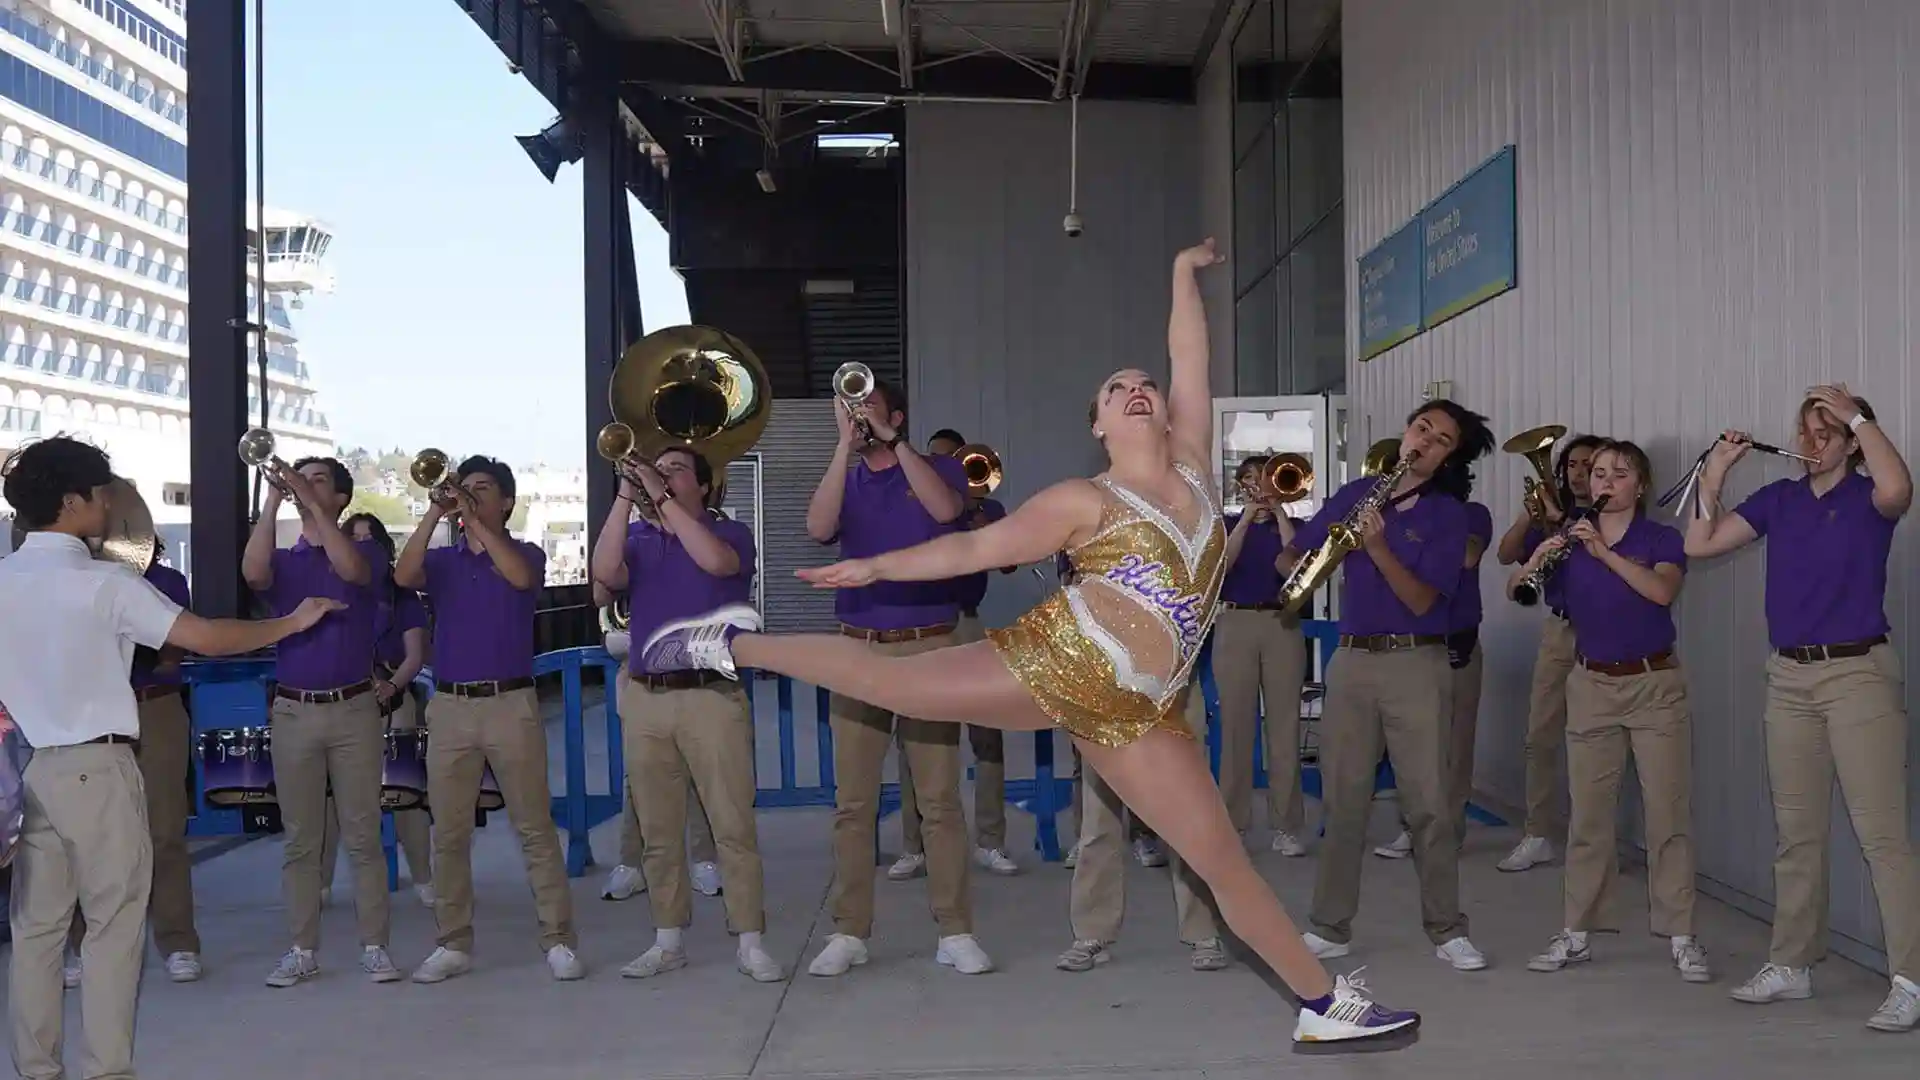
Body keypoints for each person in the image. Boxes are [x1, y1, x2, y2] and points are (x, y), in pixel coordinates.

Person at [634, 239, 1418, 1044]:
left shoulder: (1193, 466)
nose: (1137, 390)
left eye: (1144, 383)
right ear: (1098, 423)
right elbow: (972, 550)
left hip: (1143, 709)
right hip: (1058, 660)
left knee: (1221, 859)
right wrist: (873, 568)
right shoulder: (1081, 498)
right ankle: (732, 646)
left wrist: (1182, 273)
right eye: (1116, 390)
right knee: (899, 686)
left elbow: (1191, 350)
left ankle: (1324, 1006)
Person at [0, 437, 339, 1080]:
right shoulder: (105, 583)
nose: (109, 504)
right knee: (113, 929)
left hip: (33, 766)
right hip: (98, 768)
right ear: (72, 502)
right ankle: (107, 1069)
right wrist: (292, 623)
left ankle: (36, 1068)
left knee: (40, 933)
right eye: (101, 494)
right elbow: (207, 637)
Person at [1684, 386, 1919, 1032]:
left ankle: (1911, 978)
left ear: (1850, 441)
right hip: (1789, 676)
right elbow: (1699, 544)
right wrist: (1716, 475)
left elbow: (1899, 489)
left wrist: (1858, 417)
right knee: (1798, 833)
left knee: (1883, 837)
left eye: (1828, 432)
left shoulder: (1868, 498)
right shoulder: (1779, 501)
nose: (1813, 443)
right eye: (1805, 430)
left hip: (1857, 674)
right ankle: (1791, 963)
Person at [1282, 400, 1494, 973]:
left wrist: (1375, 545)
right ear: (1406, 431)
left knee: (1428, 803)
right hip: (1351, 661)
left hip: (1415, 664)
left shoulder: (1451, 515)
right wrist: (1310, 554)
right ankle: (1329, 925)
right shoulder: (1359, 492)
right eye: (1421, 427)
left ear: (1451, 455)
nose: (1424, 441)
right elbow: (1292, 561)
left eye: (1441, 439)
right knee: (1343, 799)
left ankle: (1447, 928)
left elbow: (1424, 600)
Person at [795, 371, 993, 978]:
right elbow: (818, 528)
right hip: (860, 650)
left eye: (872, 406)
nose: (860, 415)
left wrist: (891, 442)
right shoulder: (847, 477)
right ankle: (849, 930)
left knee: (938, 801)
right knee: (852, 804)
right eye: (851, 408)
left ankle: (954, 930)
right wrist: (840, 444)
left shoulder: (939, 470)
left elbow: (944, 509)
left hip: (928, 648)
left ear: (898, 418)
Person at [1510, 440, 1710, 983]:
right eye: (1598, 474)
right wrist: (1537, 559)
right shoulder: (1570, 541)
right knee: (1589, 817)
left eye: (1619, 474)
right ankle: (1577, 931)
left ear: (1639, 486)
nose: (1605, 483)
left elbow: (1661, 591)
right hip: (1592, 684)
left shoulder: (1660, 538)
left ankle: (1682, 935)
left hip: (1655, 685)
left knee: (1667, 814)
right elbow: (1515, 586)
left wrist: (1604, 554)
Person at [587, 444, 782, 983]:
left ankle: (749, 940)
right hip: (648, 696)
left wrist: (658, 492)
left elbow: (716, 564)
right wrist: (626, 493)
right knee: (658, 829)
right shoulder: (639, 539)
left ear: (702, 485)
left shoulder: (729, 534)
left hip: (710, 696)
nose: (662, 474)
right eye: (659, 465)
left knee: (732, 825)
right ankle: (667, 939)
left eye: (675, 470)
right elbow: (603, 571)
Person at [395, 456, 584, 983]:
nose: (470, 495)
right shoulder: (444, 562)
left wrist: (473, 520)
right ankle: (452, 940)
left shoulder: (524, 552)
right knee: (449, 832)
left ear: (506, 502)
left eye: (482, 489)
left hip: (510, 702)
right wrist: (435, 513)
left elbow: (520, 577)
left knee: (534, 826)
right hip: (451, 705)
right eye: (466, 487)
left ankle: (558, 938)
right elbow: (402, 575)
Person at [241, 453, 398, 986]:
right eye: (299, 479)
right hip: (293, 711)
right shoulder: (287, 559)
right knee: (301, 840)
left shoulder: (364, 551)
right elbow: (253, 572)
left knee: (361, 835)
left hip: (354, 709)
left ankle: (375, 945)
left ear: (340, 498)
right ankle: (302, 949)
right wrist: (270, 501)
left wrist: (307, 502)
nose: (303, 486)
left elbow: (353, 572)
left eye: (318, 482)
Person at [60, 538, 206, 988]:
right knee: (90, 835)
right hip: (90, 711)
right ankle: (86, 946)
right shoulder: (72, 582)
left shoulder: (163, 582)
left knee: (164, 830)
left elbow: (169, 653)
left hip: (154, 707)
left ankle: (178, 942)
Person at [893, 428, 1021, 879]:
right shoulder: (920, 506)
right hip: (923, 622)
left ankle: (991, 841)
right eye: (939, 461)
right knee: (919, 735)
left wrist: (978, 519)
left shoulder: (987, 509)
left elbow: (1008, 562)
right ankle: (916, 845)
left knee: (987, 734)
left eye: (956, 462)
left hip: (967, 621)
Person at [1058, 685, 1228, 973]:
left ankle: (1204, 932)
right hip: (1105, 692)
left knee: (1187, 817)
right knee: (1099, 820)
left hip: (1173, 688)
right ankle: (1091, 933)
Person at [317, 513, 433, 910]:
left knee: (405, 794)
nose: (363, 545)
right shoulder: (333, 592)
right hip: (344, 702)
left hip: (393, 699)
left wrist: (391, 686)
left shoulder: (404, 596)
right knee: (330, 798)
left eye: (371, 538)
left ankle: (425, 879)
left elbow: (415, 655)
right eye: (355, 538)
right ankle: (319, 885)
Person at [1374, 490, 1491, 860]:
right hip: (1410, 643)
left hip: (1457, 641)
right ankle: (1414, 827)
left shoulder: (1472, 513)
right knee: (1411, 745)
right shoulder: (1397, 516)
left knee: (1455, 746)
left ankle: (1448, 832)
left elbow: (1469, 557)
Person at [1213, 455, 1310, 856]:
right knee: (1236, 728)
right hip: (1235, 624)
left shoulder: (1299, 527)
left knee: (1283, 729)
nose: (1260, 487)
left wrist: (1281, 514)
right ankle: (1233, 825)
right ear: (1241, 486)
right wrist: (1248, 518)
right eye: (1252, 481)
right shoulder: (1227, 524)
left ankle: (1286, 827)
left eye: (1268, 480)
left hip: (1282, 623)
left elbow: (1296, 565)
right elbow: (1222, 565)